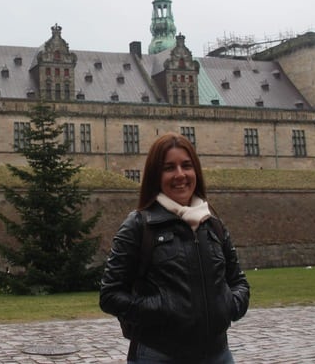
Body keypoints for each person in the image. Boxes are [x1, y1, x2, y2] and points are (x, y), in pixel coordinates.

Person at [100, 133, 250, 363]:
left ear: (196, 172)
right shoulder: (139, 225)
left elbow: (238, 281)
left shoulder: (212, 224)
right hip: (159, 355)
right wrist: (161, 310)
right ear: (155, 176)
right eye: (169, 168)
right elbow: (110, 294)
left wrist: (227, 305)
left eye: (186, 166)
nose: (180, 174)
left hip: (218, 354)